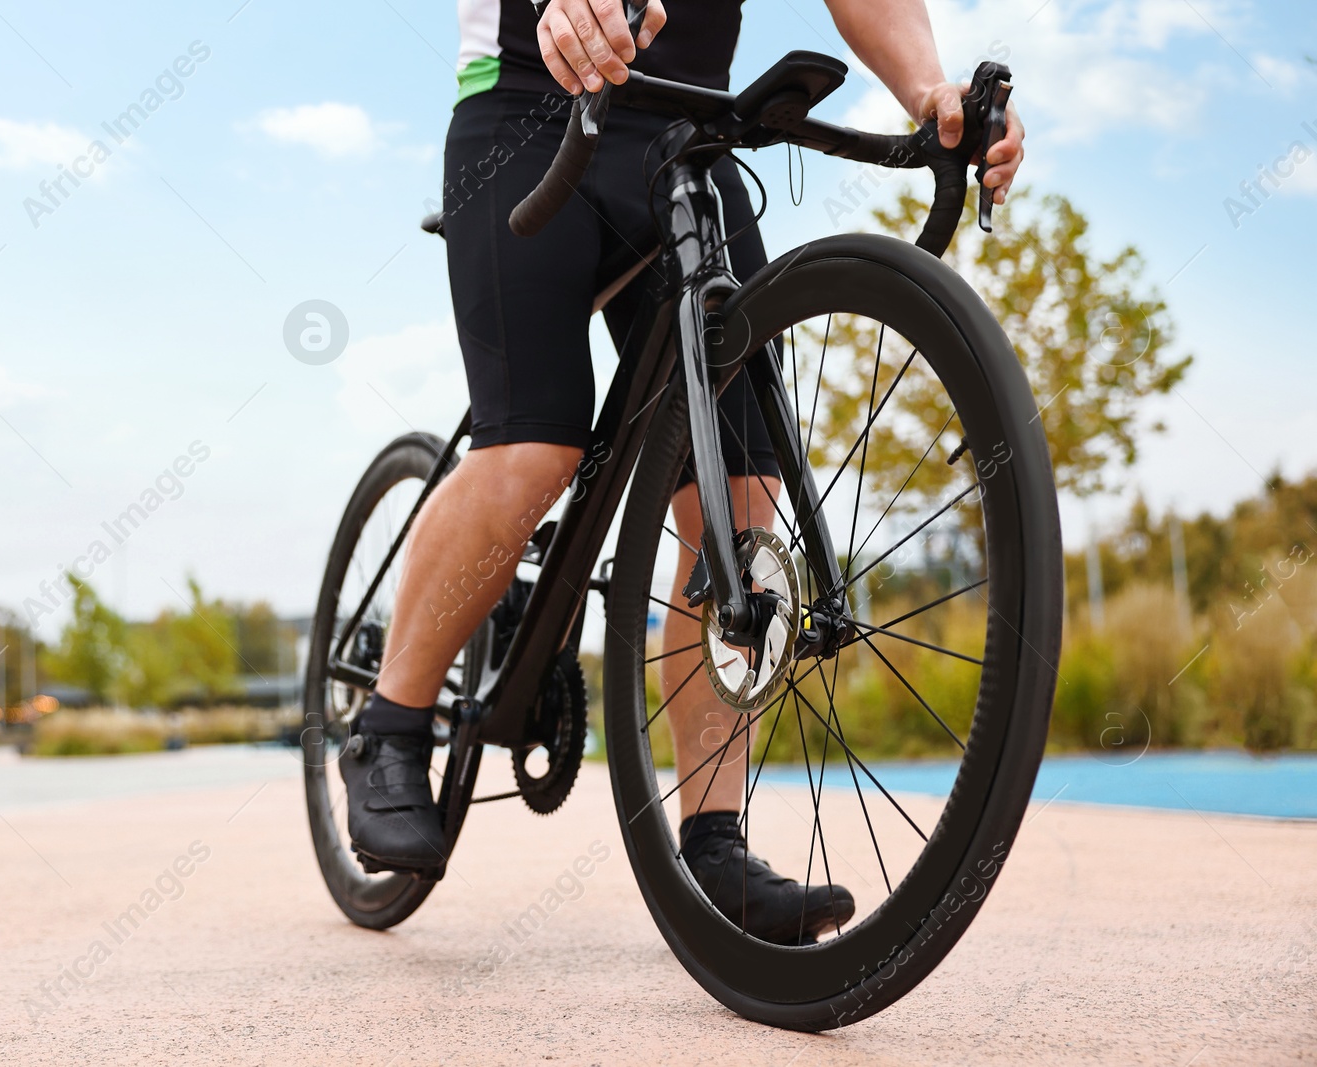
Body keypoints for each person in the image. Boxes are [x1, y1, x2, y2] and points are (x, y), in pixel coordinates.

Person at [341, 0, 1025, 943]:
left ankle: (712, 843)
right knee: (535, 445)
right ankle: (390, 726)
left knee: (741, 502)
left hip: (690, 131)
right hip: (529, 106)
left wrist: (929, 92)